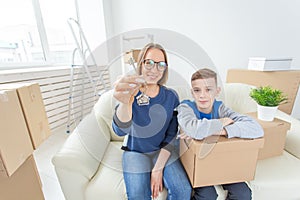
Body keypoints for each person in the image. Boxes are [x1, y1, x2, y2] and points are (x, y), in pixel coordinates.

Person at [112, 43, 192, 200]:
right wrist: (126, 102)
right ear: (141, 63)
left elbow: (171, 135)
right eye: (149, 62)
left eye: (161, 65)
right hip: (135, 151)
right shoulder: (130, 89)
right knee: (137, 195)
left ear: (165, 69)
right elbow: (120, 131)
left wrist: (158, 169)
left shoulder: (171, 97)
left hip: (161, 151)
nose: (154, 70)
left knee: (183, 191)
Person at [177, 68, 264, 200]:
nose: (202, 95)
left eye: (208, 89)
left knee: (243, 194)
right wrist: (221, 122)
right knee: (208, 195)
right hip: (198, 163)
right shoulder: (186, 107)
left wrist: (222, 131)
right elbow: (194, 130)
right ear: (192, 92)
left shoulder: (221, 108)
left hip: (222, 161)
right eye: (197, 90)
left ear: (217, 91)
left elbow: (256, 128)